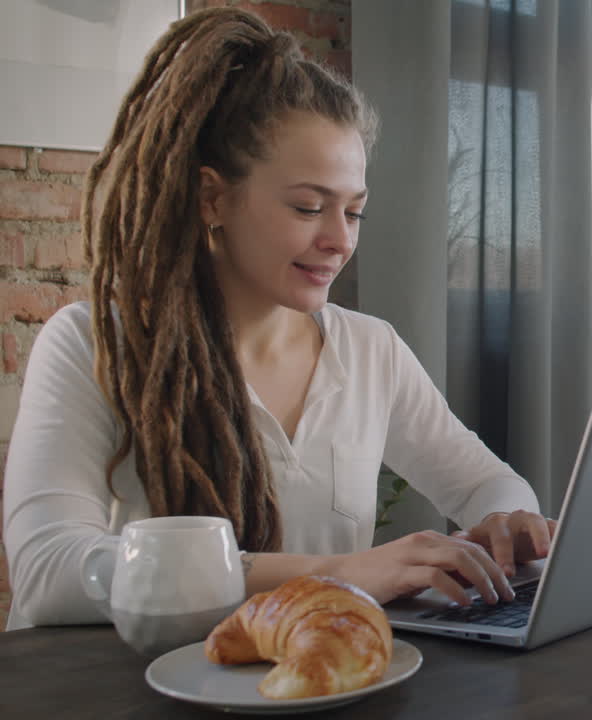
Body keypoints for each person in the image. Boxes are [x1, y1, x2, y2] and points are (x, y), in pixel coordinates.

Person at [2, 7, 555, 630]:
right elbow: (48, 571)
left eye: (353, 212)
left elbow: (488, 485)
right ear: (213, 198)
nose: (339, 241)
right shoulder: (90, 345)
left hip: (310, 675)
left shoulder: (370, 350)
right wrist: (337, 574)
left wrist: (506, 520)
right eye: (308, 207)